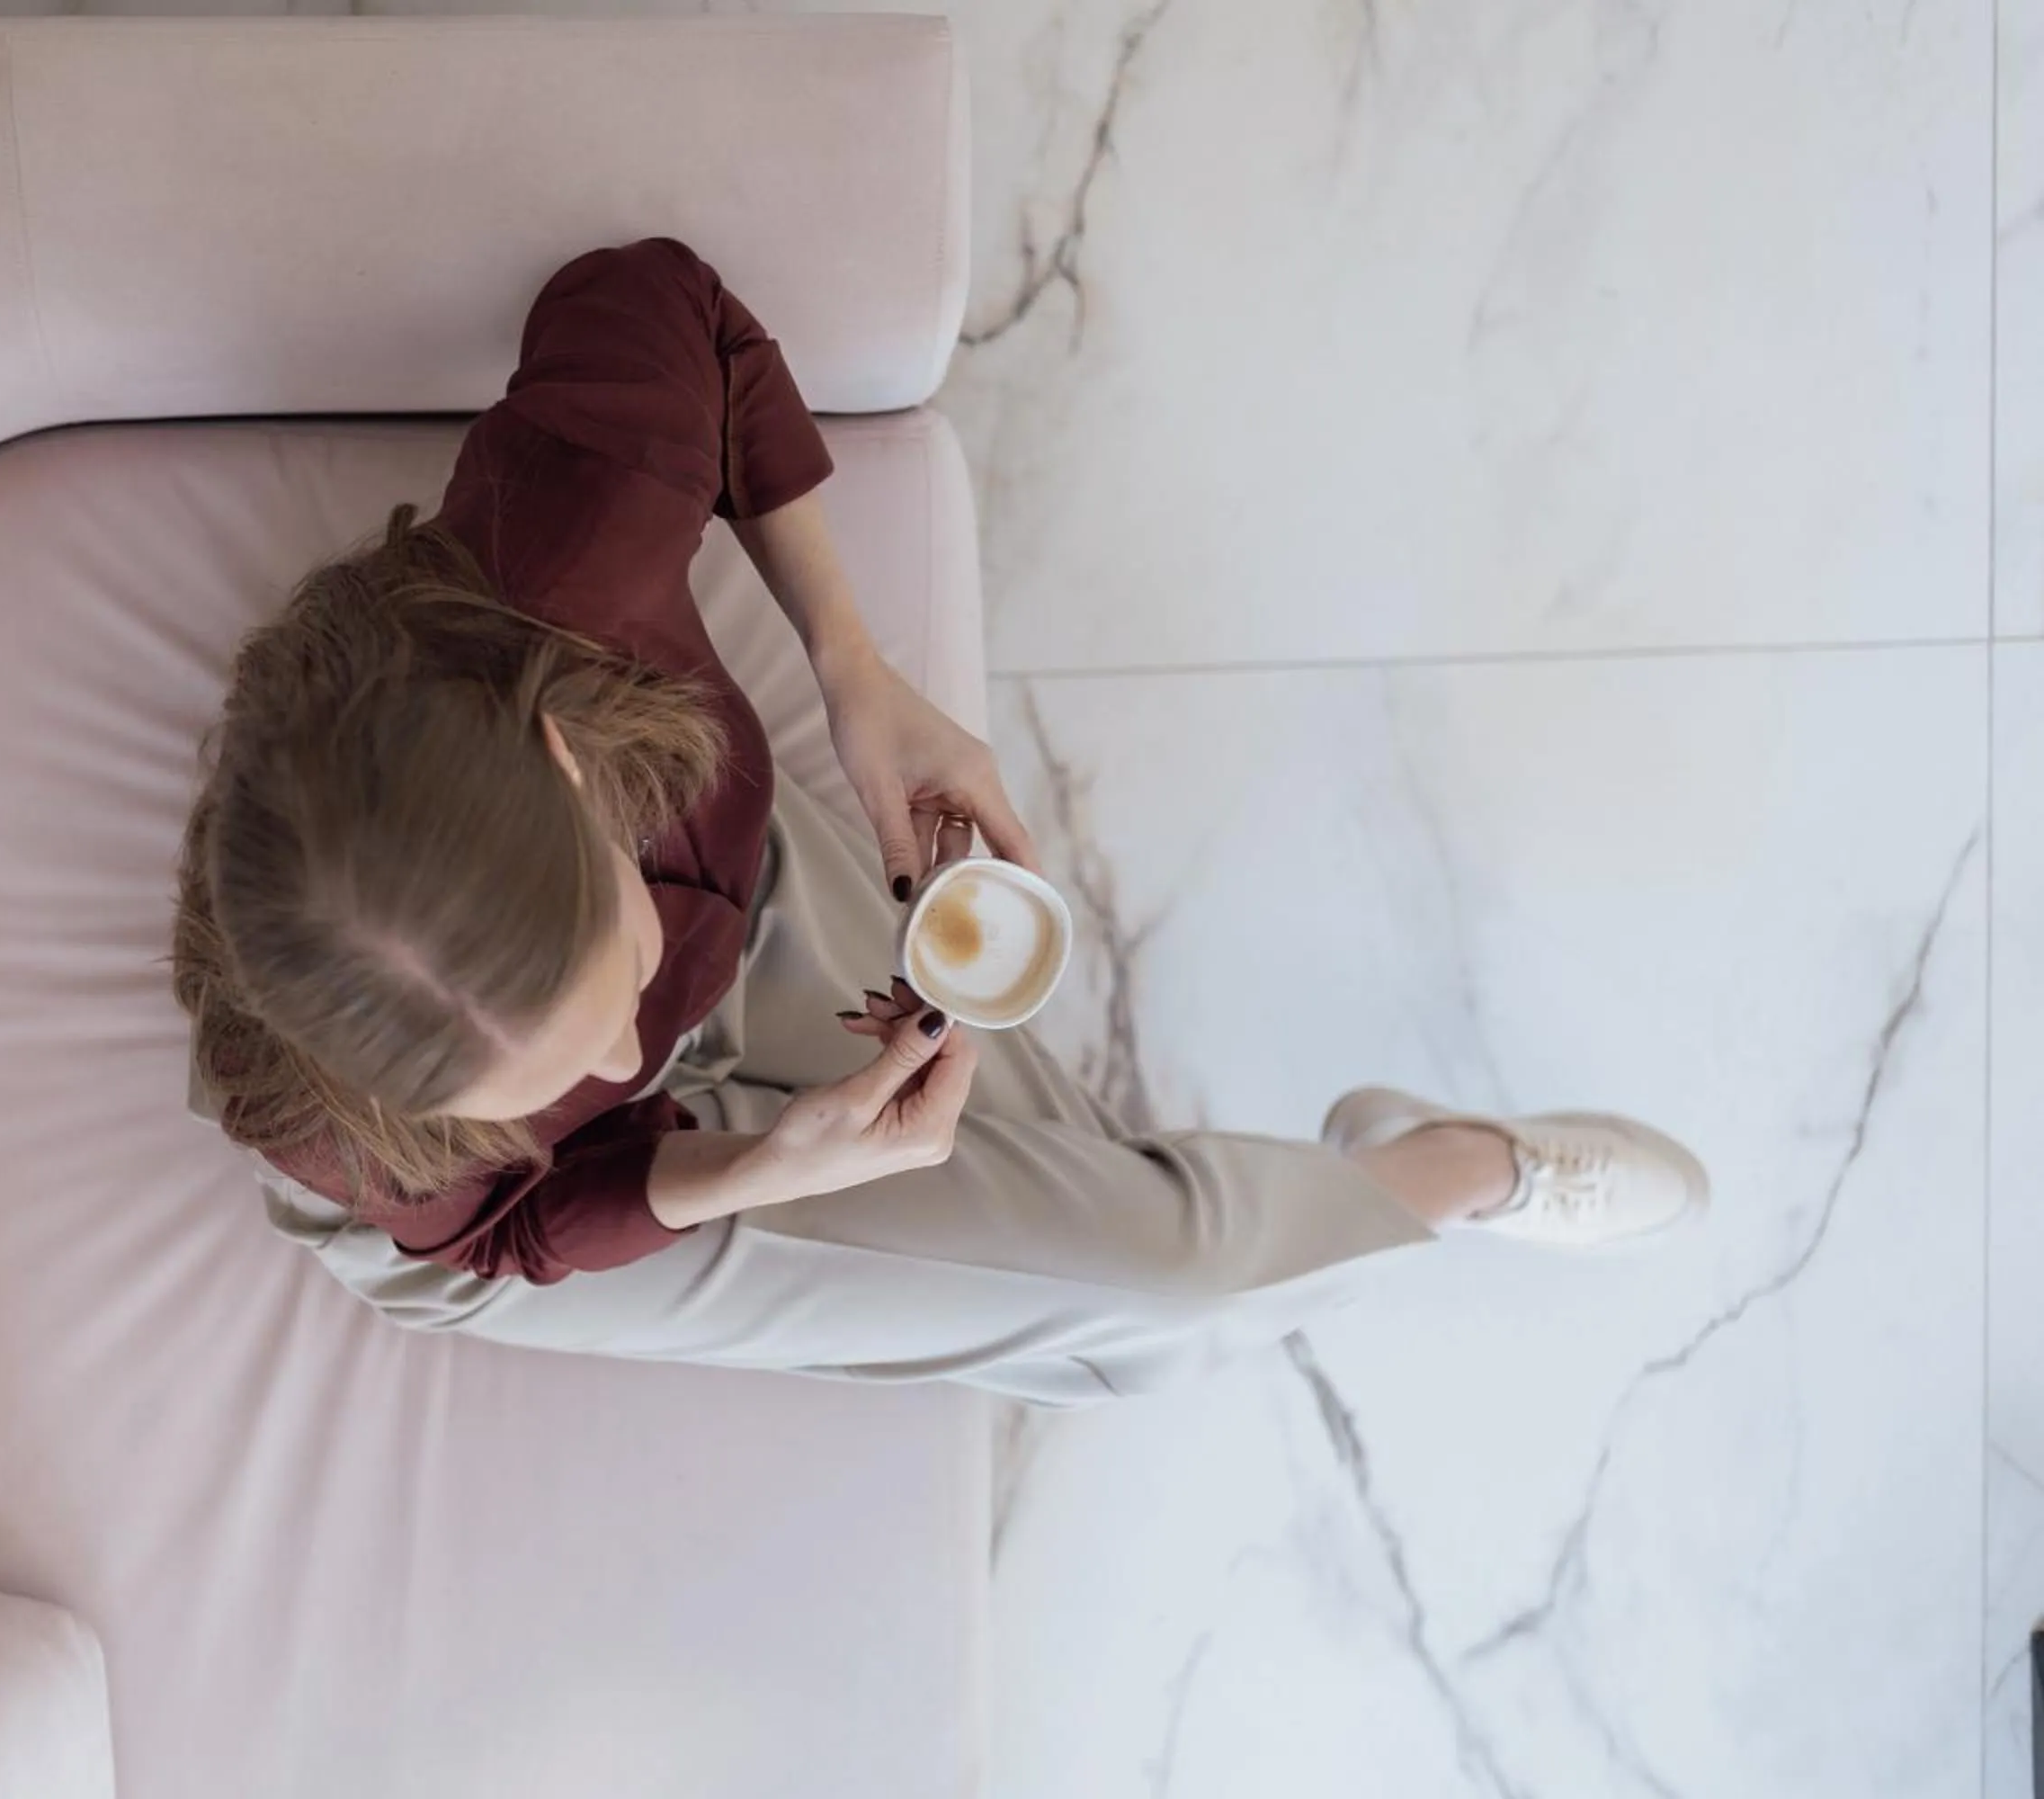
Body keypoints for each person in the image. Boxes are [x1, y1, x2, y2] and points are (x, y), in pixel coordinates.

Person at [171, 238, 1706, 1406]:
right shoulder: (361, 1131)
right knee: (1164, 1298)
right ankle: (1450, 1171)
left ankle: (1353, 1180)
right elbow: (508, 1229)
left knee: (1060, 1179)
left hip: (731, 907)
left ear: (577, 765)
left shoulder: (569, 553)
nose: (620, 1063)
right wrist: (747, 1171)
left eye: (602, 986)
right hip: (546, 1209)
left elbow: (667, 304)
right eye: (556, 1066)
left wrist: (856, 672)